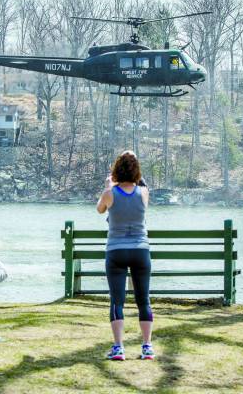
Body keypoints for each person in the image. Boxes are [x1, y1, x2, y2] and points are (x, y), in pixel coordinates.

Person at [96, 150, 155, 361]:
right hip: (141, 250)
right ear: (137, 171)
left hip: (116, 251)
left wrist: (108, 186)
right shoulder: (144, 193)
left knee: (117, 301)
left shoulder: (109, 193)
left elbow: (100, 210)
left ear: (116, 170)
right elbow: (142, 186)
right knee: (143, 300)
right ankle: (147, 346)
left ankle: (119, 347)